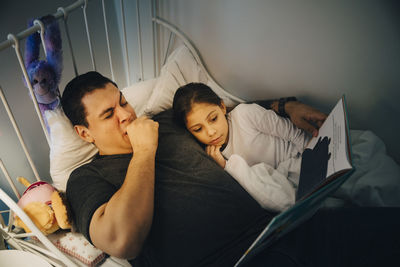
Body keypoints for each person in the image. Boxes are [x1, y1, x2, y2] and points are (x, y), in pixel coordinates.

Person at [61, 71, 400, 267]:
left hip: (281, 228)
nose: (126, 114)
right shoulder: (85, 178)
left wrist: (286, 106)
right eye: (109, 114)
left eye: (123, 101)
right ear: (84, 133)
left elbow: (216, 113)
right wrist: (144, 150)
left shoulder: (164, 122)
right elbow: (122, 241)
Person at [172, 82, 311, 211]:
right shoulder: (212, 157)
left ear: (222, 107)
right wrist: (225, 166)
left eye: (213, 119)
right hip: (278, 183)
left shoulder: (244, 115)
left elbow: (295, 134)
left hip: (300, 159)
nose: (211, 132)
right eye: (198, 129)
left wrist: (316, 160)